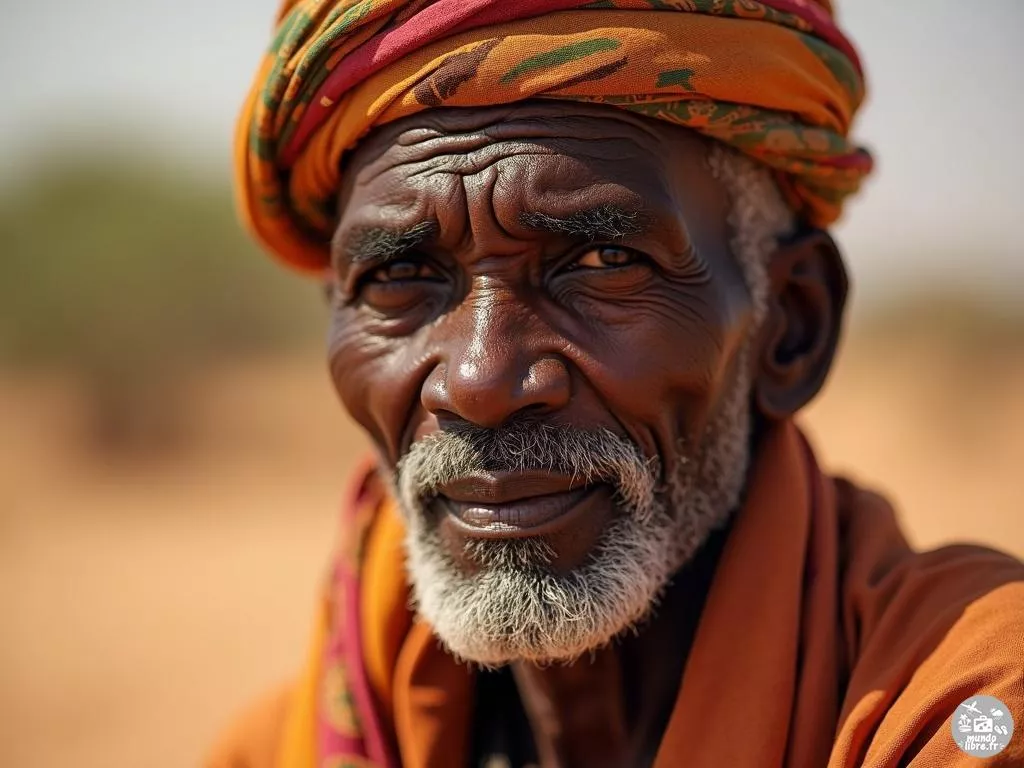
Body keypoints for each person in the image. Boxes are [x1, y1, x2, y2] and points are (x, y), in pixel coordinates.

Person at [211, 1, 1024, 766]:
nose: (480, 382)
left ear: (792, 327)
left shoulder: (973, 704)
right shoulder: (274, 747)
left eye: (602, 264)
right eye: (401, 275)